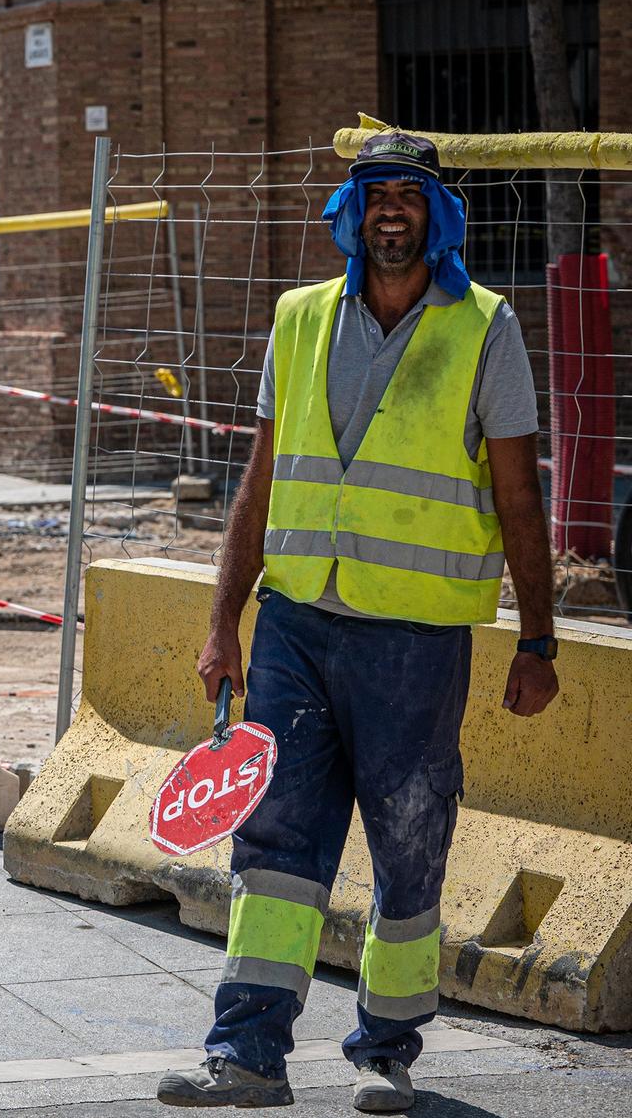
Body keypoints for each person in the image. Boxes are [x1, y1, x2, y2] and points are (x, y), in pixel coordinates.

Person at [157, 132, 559, 1113]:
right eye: (373, 194)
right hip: (294, 626)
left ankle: (384, 1052)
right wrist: (223, 621)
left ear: (436, 215)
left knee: (406, 840)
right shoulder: (296, 320)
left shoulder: (482, 327)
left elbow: (516, 495)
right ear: (350, 212)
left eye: (408, 196)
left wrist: (537, 637)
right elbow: (255, 486)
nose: (390, 210)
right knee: (276, 842)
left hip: (413, 643)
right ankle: (244, 1053)